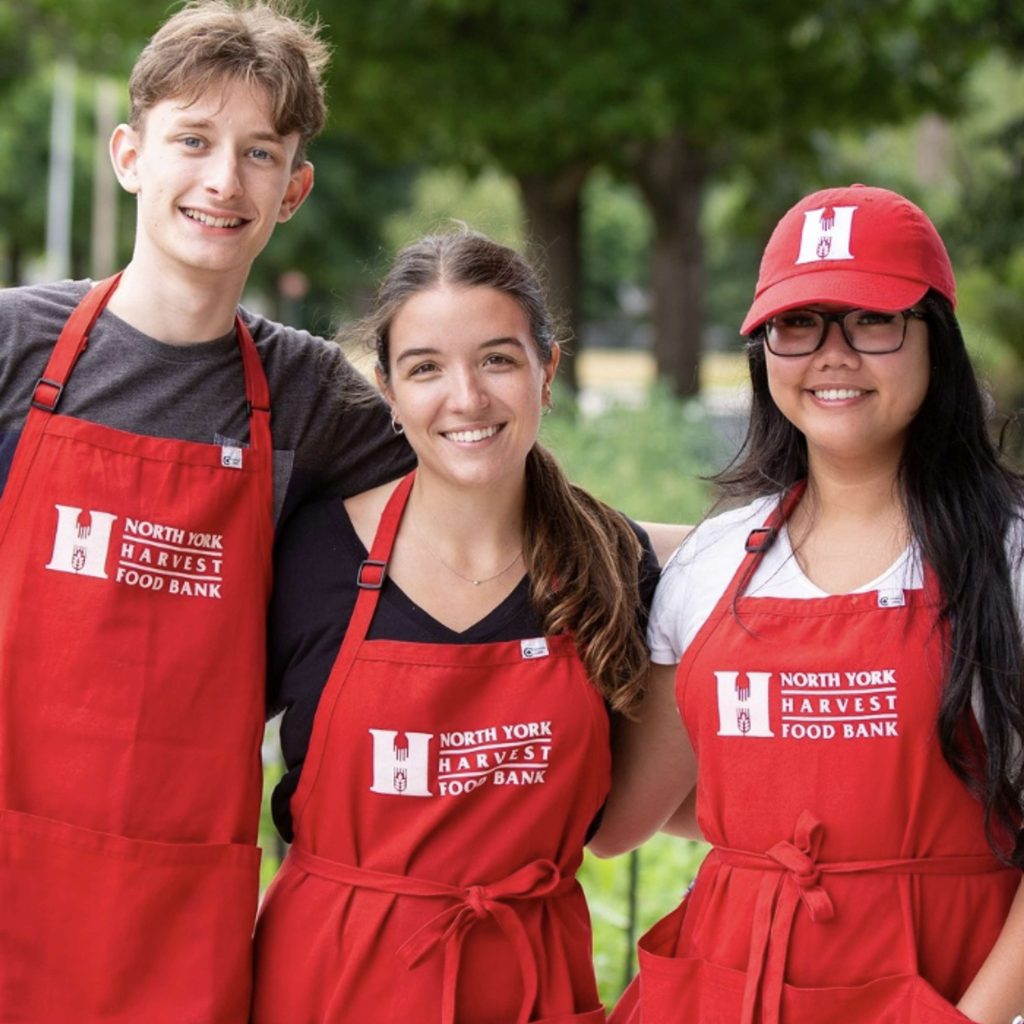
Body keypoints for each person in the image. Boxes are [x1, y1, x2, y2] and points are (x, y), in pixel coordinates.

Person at [0, 3, 410, 1021]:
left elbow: (488, 499)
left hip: (173, 898)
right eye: (193, 140)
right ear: (130, 154)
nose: (223, 180)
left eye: (259, 153)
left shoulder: (309, 393)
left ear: (293, 189)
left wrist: (749, 544)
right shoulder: (15, 345)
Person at [591, 184, 1024, 1024]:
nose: (833, 354)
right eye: (799, 324)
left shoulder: (1006, 557)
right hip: (730, 985)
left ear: (937, 337)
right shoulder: (714, 562)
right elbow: (622, 824)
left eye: (872, 320)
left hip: (942, 988)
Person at [250, 229, 662, 1024]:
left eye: (498, 360)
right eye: (426, 368)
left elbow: (639, 810)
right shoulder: (309, 557)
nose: (466, 397)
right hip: (329, 988)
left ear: (549, 370)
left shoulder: (613, 563)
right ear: (389, 392)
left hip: (528, 985)